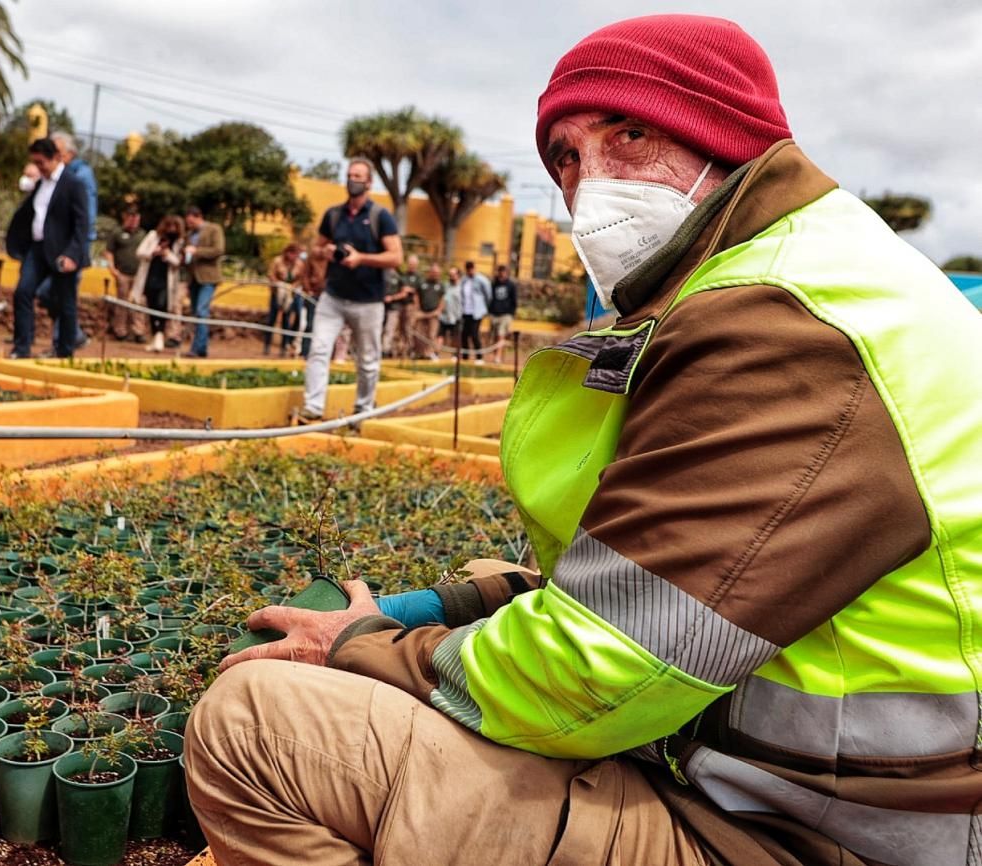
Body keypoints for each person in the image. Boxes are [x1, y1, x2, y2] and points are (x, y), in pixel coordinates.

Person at [185, 14, 982, 866]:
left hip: (815, 833)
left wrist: (357, 648)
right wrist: (436, 616)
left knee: (252, 727)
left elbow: (599, 670)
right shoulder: (815, 271)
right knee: (487, 585)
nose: (589, 184)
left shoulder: (783, 325)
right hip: (785, 774)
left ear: (726, 138)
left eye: (629, 136)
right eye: (565, 156)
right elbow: (684, 582)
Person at [296, 159, 402, 423]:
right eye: (349, 175)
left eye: (357, 176)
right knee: (319, 349)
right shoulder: (334, 215)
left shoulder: (380, 217)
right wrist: (327, 252)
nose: (351, 179)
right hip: (333, 296)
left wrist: (361, 259)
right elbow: (316, 249)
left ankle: (363, 409)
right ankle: (313, 407)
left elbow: (395, 257)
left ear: (368, 183)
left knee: (367, 360)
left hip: (368, 301)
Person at [5, 137, 90, 359]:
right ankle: (22, 348)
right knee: (23, 291)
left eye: (41, 162)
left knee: (65, 302)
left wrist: (73, 254)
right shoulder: (41, 184)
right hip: (37, 249)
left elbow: (82, 224)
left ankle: (65, 351)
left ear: (55, 158)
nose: (38, 167)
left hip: (63, 253)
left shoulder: (74, 184)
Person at [42, 131, 95, 354]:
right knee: (48, 293)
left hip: (73, 247)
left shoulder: (80, 176)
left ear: (70, 153)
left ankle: (62, 343)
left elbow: (86, 216)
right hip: (53, 246)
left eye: (57, 152)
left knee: (62, 294)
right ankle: (73, 335)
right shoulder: (52, 175)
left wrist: (76, 250)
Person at [131, 214, 184, 353]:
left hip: (166, 281)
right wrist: (153, 252)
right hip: (150, 277)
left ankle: (160, 335)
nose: (171, 229)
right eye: (169, 226)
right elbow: (140, 252)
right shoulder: (153, 236)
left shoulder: (179, 242)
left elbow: (178, 262)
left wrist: (167, 255)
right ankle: (156, 337)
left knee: (162, 306)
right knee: (151, 307)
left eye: (174, 227)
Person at [182, 206, 225, 358]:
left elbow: (218, 250)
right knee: (196, 313)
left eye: (191, 221)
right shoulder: (189, 235)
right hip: (194, 279)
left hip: (208, 278)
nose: (189, 224)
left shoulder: (214, 229)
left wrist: (197, 251)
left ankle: (197, 348)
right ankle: (201, 348)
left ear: (199, 216)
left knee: (201, 311)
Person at [103, 206, 148, 344]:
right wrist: (112, 268)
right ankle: (120, 331)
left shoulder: (142, 234)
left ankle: (138, 331)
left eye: (136, 218)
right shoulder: (117, 233)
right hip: (122, 273)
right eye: (131, 217)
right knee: (121, 302)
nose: (134, 221)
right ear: (126, 217)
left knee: (139, 302)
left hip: (139, 275)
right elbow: (109, 251)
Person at [264, 243, 306, 357]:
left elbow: (301, 278)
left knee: (286, 320)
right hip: (277, 293)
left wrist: (292, 287)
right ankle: (266, 346)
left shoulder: (299, 264)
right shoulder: (277, 261)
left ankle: (284, 347)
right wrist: (279, 284)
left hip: (289, 295)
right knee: (272, 319)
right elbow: (270, 274)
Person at [382, 254, 420, 358]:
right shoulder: (402, 275)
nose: (411, 265)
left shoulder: (417, 277)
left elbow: (415, 293)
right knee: (395, 330)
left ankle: (408, 351)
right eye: (410, 263)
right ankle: (392, 350)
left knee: (407, 329)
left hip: (408, 306)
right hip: (397, 307)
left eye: (413, 264)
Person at [458, 260, 491, 361]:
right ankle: (465, 356)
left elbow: (488, 295)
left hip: (477, 312)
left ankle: (479, 357)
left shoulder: (482, 280)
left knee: (474, 334)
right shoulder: (464, 280)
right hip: (466, 311)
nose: (470, 271)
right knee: (464, 334)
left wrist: (485, 309)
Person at [298, 245, 327, 359]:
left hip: (326, 297)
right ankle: (305, 351)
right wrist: (308, 289)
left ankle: (320, 353)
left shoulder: (331, 260)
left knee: (325, 326)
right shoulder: (311, 259)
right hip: (313, 295)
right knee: (310, 324)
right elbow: (304, 276)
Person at [412, 262, 445, 360]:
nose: (435, 274)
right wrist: (417, 307)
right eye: (434, 272)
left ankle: (429, 353)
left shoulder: (440, 285)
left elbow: (442, 299)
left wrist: (439, 310)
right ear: (430, 272)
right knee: (419, 333)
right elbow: (416, 295)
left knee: (432, 334)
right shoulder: (422, 283)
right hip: (422, 312)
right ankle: (419, 352)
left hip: (433, 313)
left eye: (437, 273)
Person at [487, 263, 518, 364]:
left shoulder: (511, 285)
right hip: (494, 314)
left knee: (500, 334)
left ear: (507, 273)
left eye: (503, 272)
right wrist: (490, 312)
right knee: (495, 335)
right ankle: (497, 355)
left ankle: (498, 357)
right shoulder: (494, 284)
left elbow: (514, 301)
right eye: (500, 272)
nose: (501, 274)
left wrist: (511, 314)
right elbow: (490, 298)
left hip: (506, 315)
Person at [438, 265, 462, 349]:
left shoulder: (462, 287)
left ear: (458, 275)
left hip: (456, 317)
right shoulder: (446, 285)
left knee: (455, 336)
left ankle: (454, 355)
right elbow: (443, 299)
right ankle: (436, 354)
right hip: (444, 316)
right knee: (440, 335)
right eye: (450, 274)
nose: (451, 276)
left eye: (453, 274)